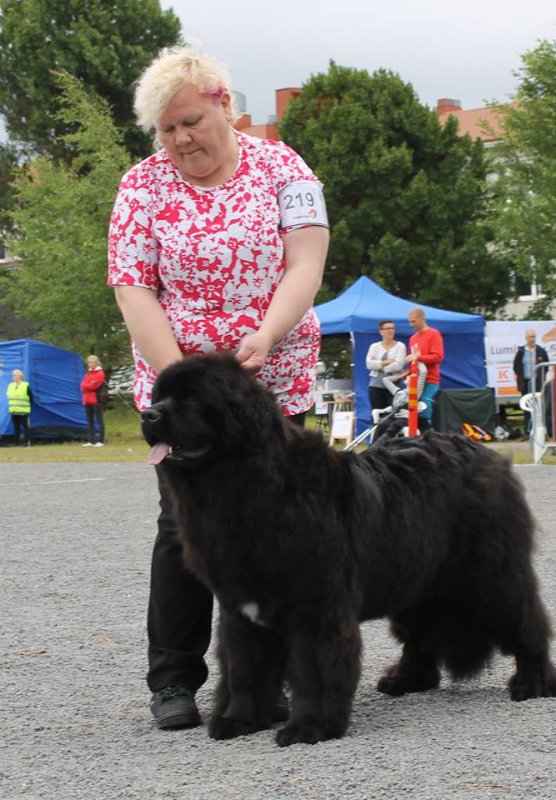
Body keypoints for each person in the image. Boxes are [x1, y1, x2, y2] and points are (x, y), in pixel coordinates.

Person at [107, 47, 329, 730]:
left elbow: (306, 261)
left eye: (190, 123)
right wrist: (185, 382)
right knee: (183, 529)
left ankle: (275, 677)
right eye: (166, 130)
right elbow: (133, 287)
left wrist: (267, 332)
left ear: (224, 105)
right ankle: (173, 679)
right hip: (182, 390)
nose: (179, 140)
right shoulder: (141, 186)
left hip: (274, 377)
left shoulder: (285, 169)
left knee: (284, 529)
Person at [406, 307, 443, 429]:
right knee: (413, 412)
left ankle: (430, 436)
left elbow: (438, 357)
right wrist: (408, 374)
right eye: (410, 322)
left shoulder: (433, 334)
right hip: (415, 382)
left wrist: (418, 357)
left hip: (430, 380)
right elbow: (413, 361)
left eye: (413, 321)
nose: (411, 325)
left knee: (425, 410)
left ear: (422, 318)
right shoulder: (413, 338)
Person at [513, 330, 550, 436]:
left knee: (539, 407)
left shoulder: (541, 351)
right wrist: (522, 377)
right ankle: (527, 431)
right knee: (527, 406)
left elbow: (546, 366)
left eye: (533, 337)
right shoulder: (521, 352)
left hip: (538, 383)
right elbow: (516, 366)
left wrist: (540, 378)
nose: (532, 339)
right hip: (525, 384)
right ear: (526, 338)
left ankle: (542, 431)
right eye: (530, 337)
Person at [365, 320, 406, 413]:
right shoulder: (374, 346)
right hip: (375, 386)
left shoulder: (400, 346)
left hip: (393, 387)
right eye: (387, 328)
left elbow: (398, 365)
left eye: (392, 328)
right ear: (381, 331)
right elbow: (369, 364)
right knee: (376, 414)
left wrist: (380, 366)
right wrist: (387, 362)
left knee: (393, 415)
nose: (390, 330)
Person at [80, 355, 106, 446]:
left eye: (92, 362)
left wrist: (87, 386)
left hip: (96, 400)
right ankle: (91, 441)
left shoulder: (100, 373)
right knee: (90, 421)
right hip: (87, 400)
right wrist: (88, 386)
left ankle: (101, 441)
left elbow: (93, 386)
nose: (90, 364)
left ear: (96, 363)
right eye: (89, 363)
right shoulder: (88, 374)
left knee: (99, 420)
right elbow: (82, 386)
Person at [6, 368, 33, 446]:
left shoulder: (25, 385)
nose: (13, 376)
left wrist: (26, 406)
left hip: (23, 410)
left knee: (25, 426)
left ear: (20, 376)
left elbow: (31, 397)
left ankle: (26, 442)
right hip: (13, 410)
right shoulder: (10, 385)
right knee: (16, 427)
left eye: (15, 375)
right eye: (13, 375)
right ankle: (16, 443)